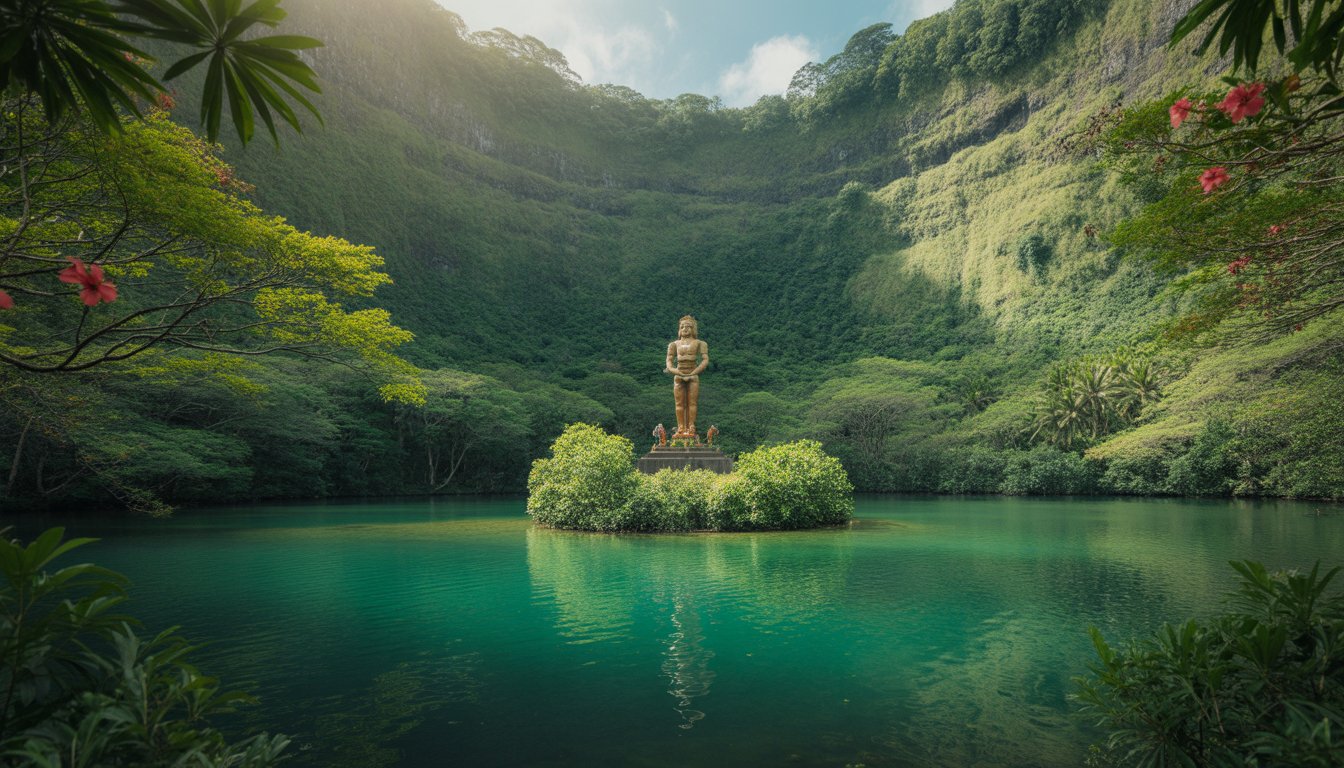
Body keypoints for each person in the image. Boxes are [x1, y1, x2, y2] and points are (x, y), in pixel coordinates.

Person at [665, 315, 708, 438]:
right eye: (682, 326)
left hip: (693, 374)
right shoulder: (674, 344)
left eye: (688, 326)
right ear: (679, 329)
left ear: (693, 328)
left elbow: (705, 360)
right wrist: (675, 371)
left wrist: (694, 372)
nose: (685, 329)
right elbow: (668, 361)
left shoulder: (700, 343)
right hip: (679, 374)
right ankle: (681, 427)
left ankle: (691, 426)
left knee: (692, 403)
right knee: (679, 403)